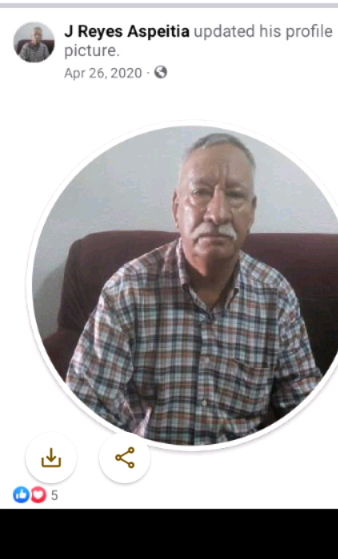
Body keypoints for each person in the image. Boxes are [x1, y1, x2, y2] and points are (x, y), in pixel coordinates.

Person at [66, 133, 322, 445]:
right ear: (176, 208)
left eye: (235, 195)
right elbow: (86, 409)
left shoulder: (276, 297)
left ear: (252, 212)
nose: (218, 213)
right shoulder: (127, 292)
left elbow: (305, 408)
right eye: (200, 192)